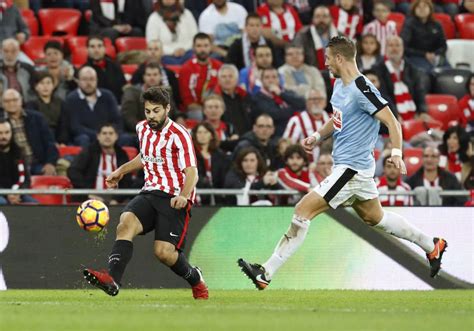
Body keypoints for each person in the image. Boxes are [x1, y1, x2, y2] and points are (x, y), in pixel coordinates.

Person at [238, 36, 448, 291]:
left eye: (327, 58)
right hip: (351, 169)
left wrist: (396, 153)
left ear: (339, 58)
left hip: (352, 169)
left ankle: (266, 272)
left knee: (302, 212)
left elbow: (392, 121)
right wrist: (317, 136)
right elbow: (337, 119)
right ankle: (431, 245)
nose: (325, 63)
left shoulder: (362, 88)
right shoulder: (339, 85)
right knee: (375, 217)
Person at [83, 86, 209, 300]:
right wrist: (120, 171)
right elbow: (145, 156)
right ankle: (112, 280)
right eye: (148, 111)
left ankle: (195, 278)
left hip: (174, 198)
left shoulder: (180, 135)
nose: (151, 116)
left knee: (163, 253)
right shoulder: (142, 128)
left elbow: (192, 172)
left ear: (167, 109)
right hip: (150, 192)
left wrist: (184, 196)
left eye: (156, 111)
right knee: (125, 222)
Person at [67, 123, 133, 204]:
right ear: (98, 136)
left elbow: (127, 180)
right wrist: (88, 193)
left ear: (116, 136)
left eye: (111, 133)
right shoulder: (89, 151)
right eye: (104, 133)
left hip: (116, 197)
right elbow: (73, 171)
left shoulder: (122, 154)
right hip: (91, 195)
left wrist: (117, 200)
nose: (107, 136)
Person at [0, 89, 58, 175]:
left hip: (37, 164)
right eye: (7, 101)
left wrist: (50, 163)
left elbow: (49, 143)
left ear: (21, 100)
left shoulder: (37, 118)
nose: (11, 104)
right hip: (11, 167)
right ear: (2, 103)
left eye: (15, 100)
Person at [375, 36, 429, 122]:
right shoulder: (378, 69)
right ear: (385, 49)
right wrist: (395, 115)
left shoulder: (411, 68)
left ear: (403, 48)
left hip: (413, 113)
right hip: (390, 114)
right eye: (391, 45)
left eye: (397, 45)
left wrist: (422, 111)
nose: (394, 48)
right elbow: (383, 95)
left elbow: (419, 91)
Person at [64, 66, 121, 147]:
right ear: (78, 81)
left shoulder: (108, 95)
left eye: (91, 79)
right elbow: (75, 127)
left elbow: (117, 120)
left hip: (108, 134)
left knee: (126, 138)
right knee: (83, 139)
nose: (88, 83)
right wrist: (99, 136)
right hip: (85, 137)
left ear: (97, 80)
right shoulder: (71, 99)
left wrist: (109, 134)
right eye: (84, 79)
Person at [178, 33, 222, 119]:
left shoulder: (219, 66)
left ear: (211, 47)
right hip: (195, 110)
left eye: (206, 46)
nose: (202, 49)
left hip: (217, 107)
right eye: (199, 46)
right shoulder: (186, 69)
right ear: (193, 48)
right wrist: (207, 110)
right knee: (197, 114)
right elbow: (187, 101)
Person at [252, 67, 305, 137]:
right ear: (261, 80)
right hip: (277, 134)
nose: (271, 80)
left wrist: (281, 94)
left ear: (279, 79)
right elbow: (275, 114)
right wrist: (295, 107)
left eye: (274, 77)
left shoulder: (286, 92)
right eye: (267, 77)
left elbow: (303, 103)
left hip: (297, 130)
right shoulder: (258, 97)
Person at [122, 62, 170, 136]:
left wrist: (180, 117)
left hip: (164, 132)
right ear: (143, 77)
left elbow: (173, 112)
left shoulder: (166, 92)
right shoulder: (132, 93)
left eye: (155, 75)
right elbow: (129, 119)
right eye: (148, 75)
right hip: (138, 133)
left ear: (160, 76)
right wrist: (148, 130)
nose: (152, 78)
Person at [283, 89, 330, 162]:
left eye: (319, 99)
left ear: (325, 102)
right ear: (306, 102)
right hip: (305, 167)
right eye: (312, 99)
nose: (316, 102)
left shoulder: (332, 119)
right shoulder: (296, 121)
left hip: (331, 166)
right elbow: (286, 147)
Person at [400, 0, 448, 73]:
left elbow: (443, 45)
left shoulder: (437, 24)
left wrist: (435, 54)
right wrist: (424, 54)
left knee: (449, 72)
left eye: (425, 6)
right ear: (414, 9)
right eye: (419, 7)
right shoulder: (409, 24)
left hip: (435, 56)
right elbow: (404, 47)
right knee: (429, 72)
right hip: (415, 56)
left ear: (430, 9)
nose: (422, 9)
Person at [130, 39, 181, 107]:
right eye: (150, 49)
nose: (153, 52)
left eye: (156, 49)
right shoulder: (139, 73)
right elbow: (134, 95)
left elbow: (176, 97)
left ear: (162, 52)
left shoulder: (170, 74)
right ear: (146, 52)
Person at [145, 0, 197, 65]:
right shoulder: (154, 18)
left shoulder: (187, 14)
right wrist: (172, 52)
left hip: (187, 52)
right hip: (165, 55)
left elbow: (195, 37)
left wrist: (183, 49)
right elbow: (152, 42)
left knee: (194, 58)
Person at [0, 119, 37, 205]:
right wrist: (6, 194)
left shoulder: (19, 152)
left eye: (7, 132)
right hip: (1, 193)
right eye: (0, 133)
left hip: (17, 192)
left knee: (34, 204)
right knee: (3, 202)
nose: (3, 137)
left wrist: (18, 193)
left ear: (11, 133)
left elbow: (26, 178)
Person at [191, 122, 229, 205]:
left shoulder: (220, 155)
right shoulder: (190, 154)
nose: (202, 135)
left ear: (211, 135)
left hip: (218, 193)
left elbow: (224, 176)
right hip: (198, 193)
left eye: (205, 132)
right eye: (199, 132)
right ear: (195, 135)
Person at [25, 72, 69, 144]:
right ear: (36, 87)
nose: (45, 86)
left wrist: (62, 142)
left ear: (53, 86)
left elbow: (64, 125)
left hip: (59, 137)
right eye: (42, 83)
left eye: (48, 83)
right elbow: (34, 127)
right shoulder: (31, 105)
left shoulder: (61, 103)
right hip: (41, 138)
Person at [293, 6, 339, 71]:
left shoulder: (340, 36)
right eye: (317, 16)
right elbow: (297, 57)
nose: (321, 20)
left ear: (330, 19)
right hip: (312, 73)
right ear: (313, 19)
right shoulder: (303, 35)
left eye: (325, 16)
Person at [84, 36, 126, 103]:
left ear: (104, 48)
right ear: (87, 49)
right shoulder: (84, 71)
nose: (96, 50)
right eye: (92, 47)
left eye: (99, 46)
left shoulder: (115, 66)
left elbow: (123, 87)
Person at [215, 64, 252, 136]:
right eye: (224, 76)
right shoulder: (215, 98)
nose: (227, 79)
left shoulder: (245, 96)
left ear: (237, 79)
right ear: (219, 80)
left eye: (230, 76)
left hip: (247, 135)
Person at [0, 38, 36, 103]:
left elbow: (34, 90)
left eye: (13, 51)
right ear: (1, 51)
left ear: (19, 52)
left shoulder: (28, 68)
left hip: (25, 106)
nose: (9, 55)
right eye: (6, 51)